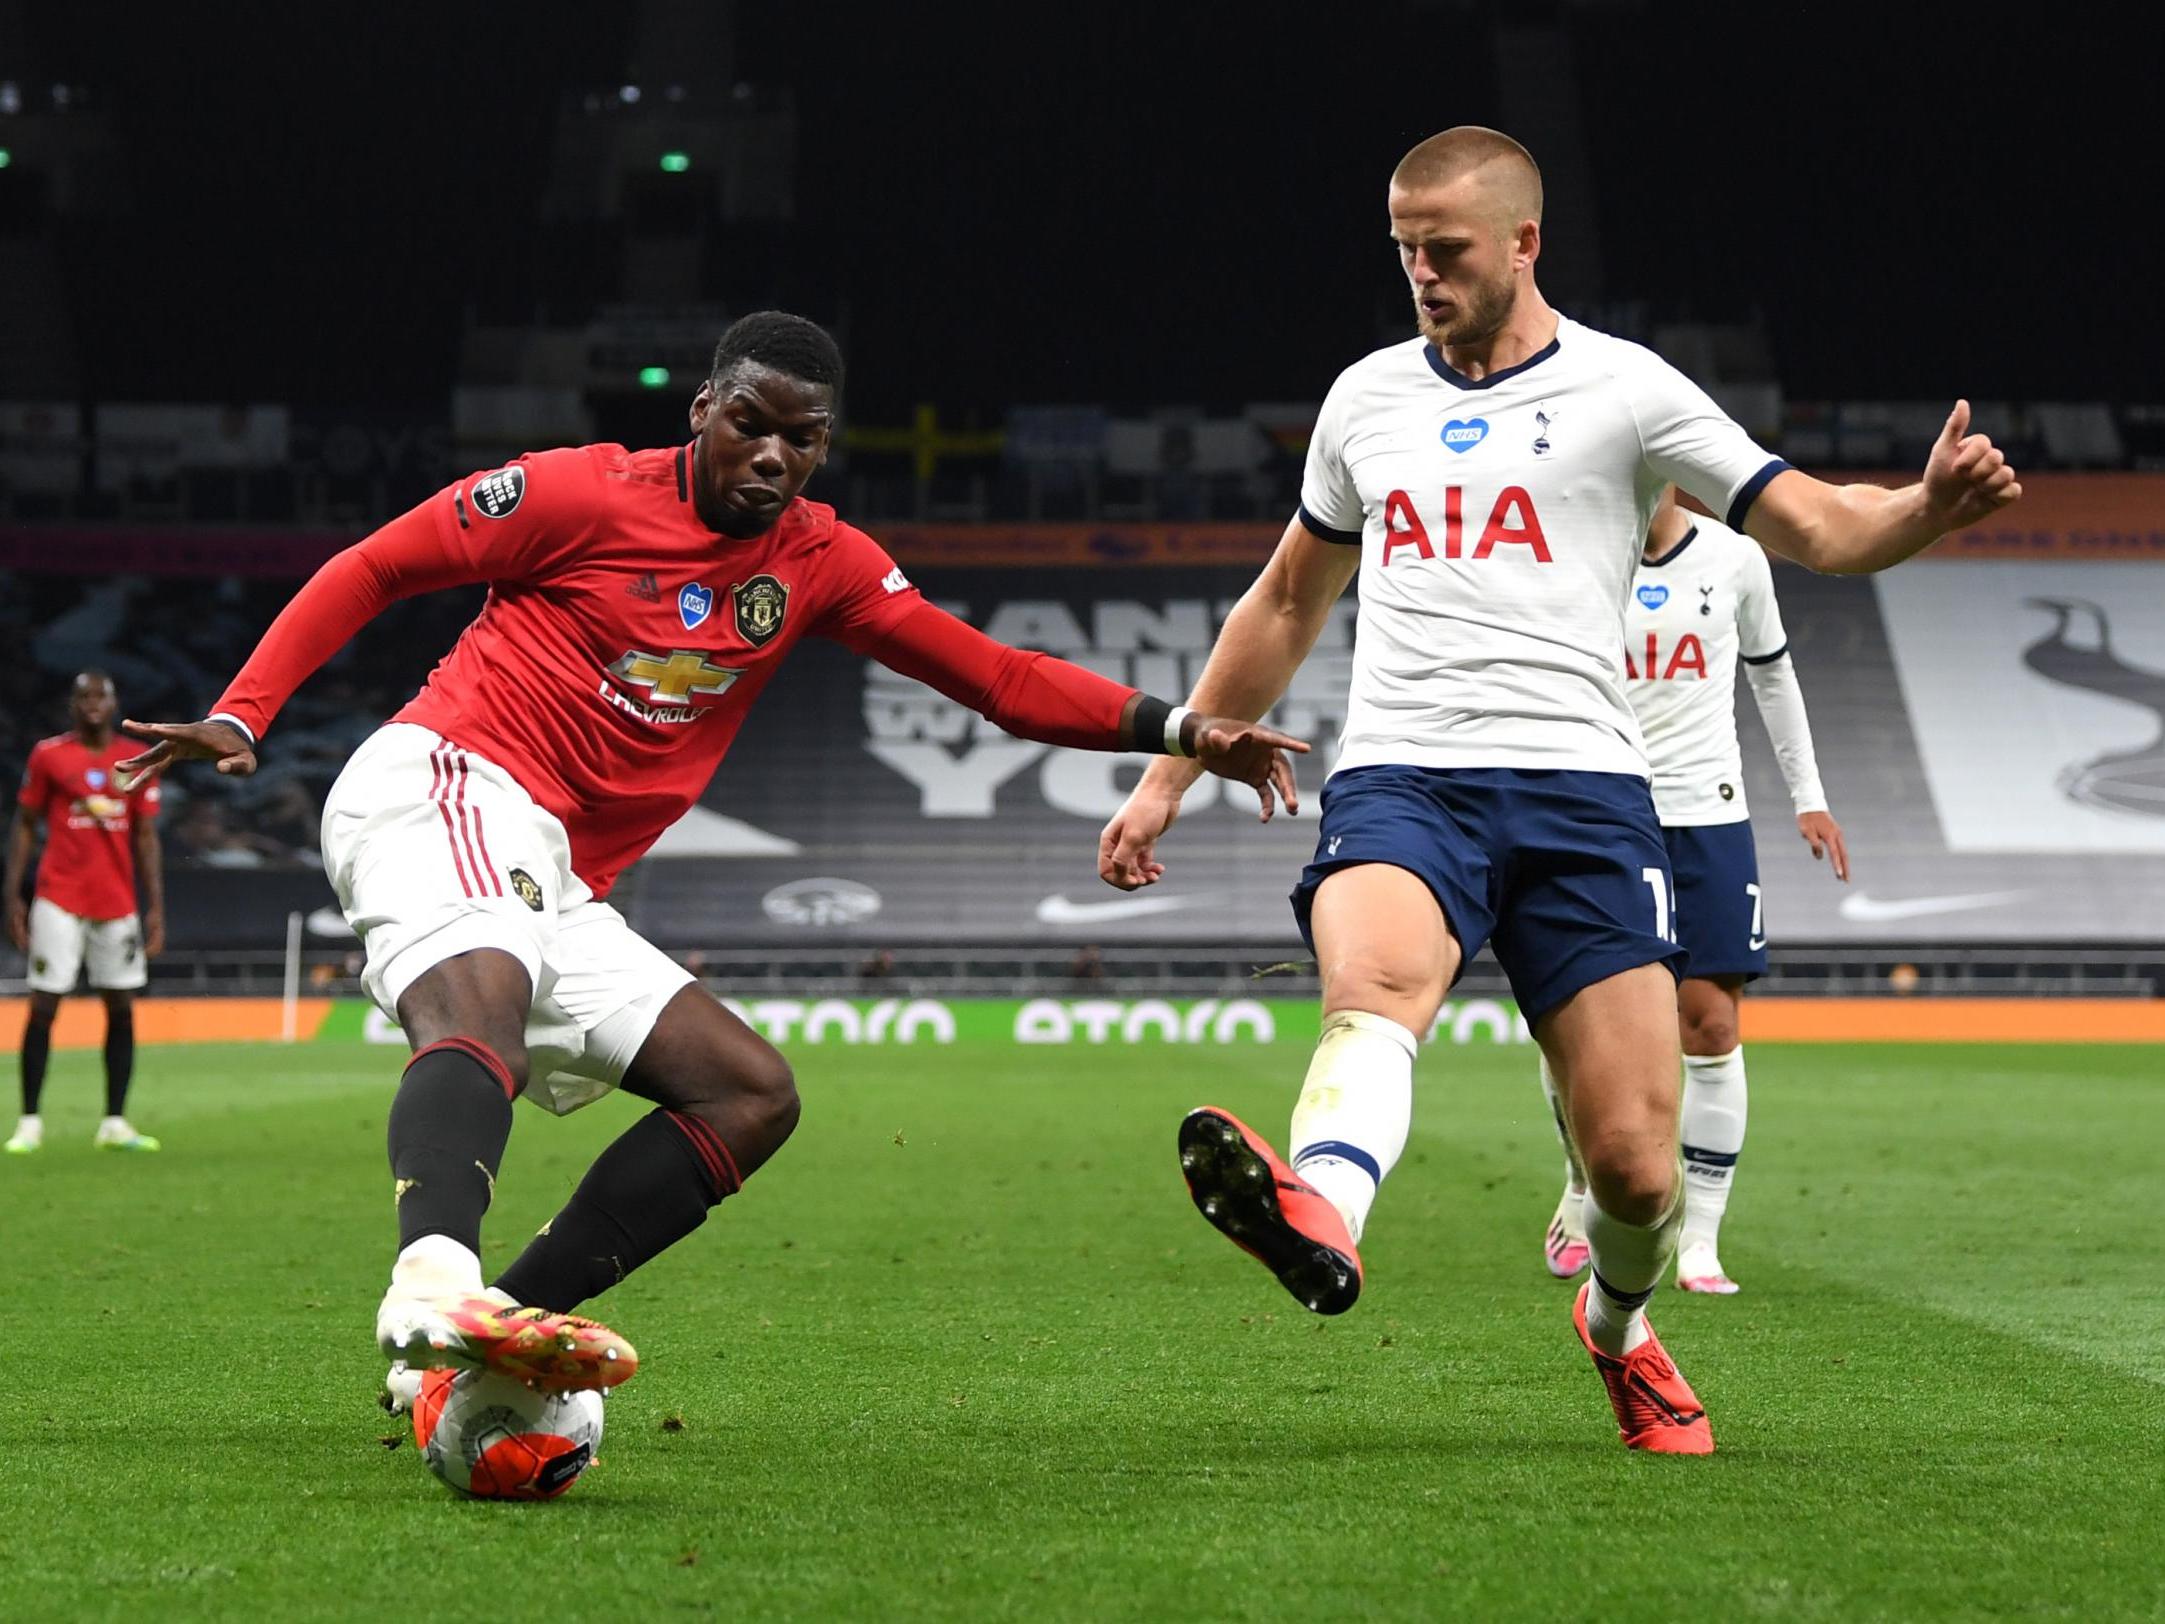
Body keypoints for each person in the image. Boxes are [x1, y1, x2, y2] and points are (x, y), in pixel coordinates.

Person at [121, 311, 1305, 1398]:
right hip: (448, 776)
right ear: (702, 410)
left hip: (557, 873)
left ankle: (494, 1337)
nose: (773, 457)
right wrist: (244, 710)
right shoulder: (578, 493)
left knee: (747, 1092)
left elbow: (992, 677)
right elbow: (376, 564)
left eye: (803, 439)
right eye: (751, 423)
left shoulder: (818, 560)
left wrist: (1185, 727)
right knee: (480, 995)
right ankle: (431, 1283)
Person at [1097, 127, 2018, 1453]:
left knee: (1634, 1174)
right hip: (1405, 771)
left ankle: (1617, 1330)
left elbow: (1820, 529)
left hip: (1587, 795)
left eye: (1446, 250)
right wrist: (1170, 772)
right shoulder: (1364, 401)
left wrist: (1927, 507)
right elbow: (1290, 597)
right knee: (1375, 990)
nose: (1420, 271)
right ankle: (1319, 1217)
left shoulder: (1628, 393)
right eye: (1404, 249)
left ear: (1524, 244)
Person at [1540, 488, 1847, 1295]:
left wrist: (1807, 795)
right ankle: (1582, 1183)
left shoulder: (1734, 560)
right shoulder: (1568, 548)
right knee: (1577, 1025)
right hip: (1598, 809)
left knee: (1709, 1021)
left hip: (1706, 815)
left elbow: (1772, 677)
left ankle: (1701, 1237)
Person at [5, 671, 165, 1154]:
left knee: (120, 1007)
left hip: (116, 902)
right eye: (83, 697)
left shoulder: (136, 759)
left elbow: (144, 835)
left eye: (100, 696)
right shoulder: (49, 755)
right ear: (72, 706)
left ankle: (114, 1121)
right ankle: (29, 1122)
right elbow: (25, 824)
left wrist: (154, 906)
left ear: (114, 704)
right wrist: (13, 895)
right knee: (44, 1004)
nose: (92, 704)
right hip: (59, 896)